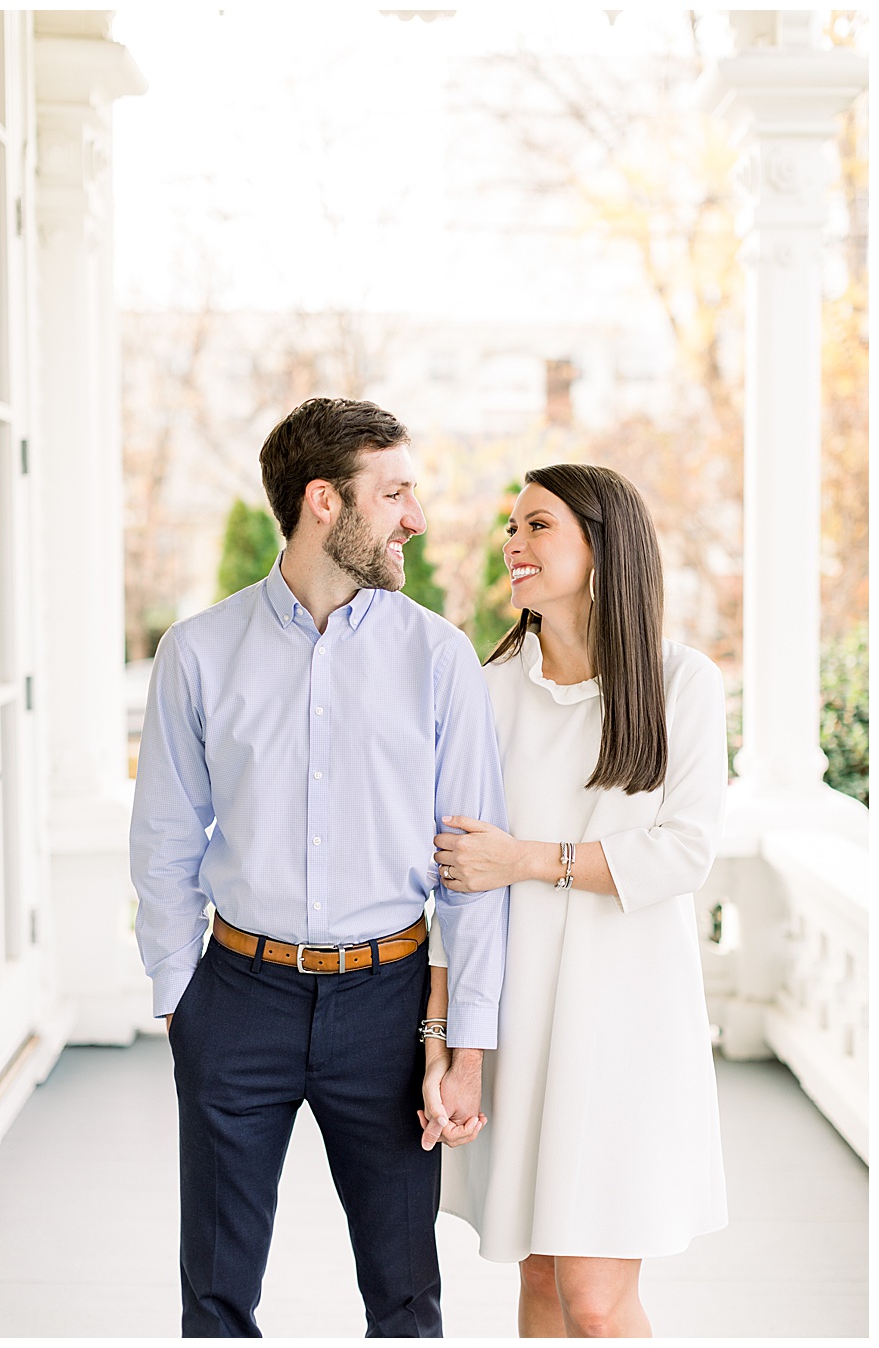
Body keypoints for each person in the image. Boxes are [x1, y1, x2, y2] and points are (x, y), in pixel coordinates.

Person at [131, 397, 511, 1338]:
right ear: (323, 503)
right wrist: (184, 998)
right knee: (214, 1297)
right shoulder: (198, 652)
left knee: (404, 1294)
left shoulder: (439, 657)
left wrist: (462, 1042)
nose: (414, 518)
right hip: (235, 1000)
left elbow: (471, 869)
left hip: (388, 1008)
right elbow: (165, 839)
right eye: (395, 493)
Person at [424, 465, 728, 1337]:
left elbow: (682, 853)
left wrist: (525, 859)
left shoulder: (683, 684)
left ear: (604, 545)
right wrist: (444, 1041)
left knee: (595, 1299)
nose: (513, 543)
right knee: (542, 1283)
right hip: (519, 1020)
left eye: (538, 525)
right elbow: (453, 885)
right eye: (510, 528)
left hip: (629, 1025)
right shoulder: (486, 693)